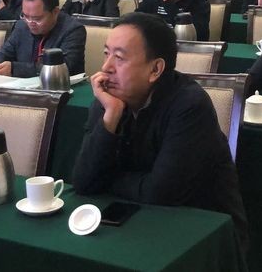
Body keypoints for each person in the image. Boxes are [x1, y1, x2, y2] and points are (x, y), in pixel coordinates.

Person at [72, 13, 248, 250]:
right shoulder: (109, 100)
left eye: (119, 58)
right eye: (106, 54)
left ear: (155, 69)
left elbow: (162, 193)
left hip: (202, 232)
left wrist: (107, 179)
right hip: (134, 220)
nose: (106, 67)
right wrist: (112, 115)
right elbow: (83, 181)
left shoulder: (190, 105)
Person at [0, 0, 86, 77]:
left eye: (37, 19)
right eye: (25, 16)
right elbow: (4, 52)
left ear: (55, 12)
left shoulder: (73, 30)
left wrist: (14, 69)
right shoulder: (21, 25)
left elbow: (63, 67)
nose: (30, 23)